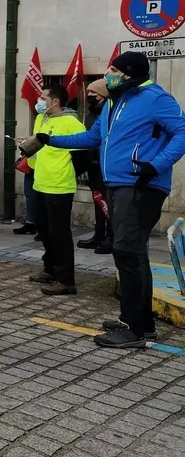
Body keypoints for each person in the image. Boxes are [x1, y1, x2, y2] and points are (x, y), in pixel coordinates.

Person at [41, 52, 185, 348]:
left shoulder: (156, 98)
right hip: (118, 186)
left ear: (130, 73)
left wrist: (156, 164)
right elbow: (93, 138)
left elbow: (182, 132)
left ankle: (132, 330)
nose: (108, 74)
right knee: (134, 254)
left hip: (141, 185)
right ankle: (141, 323)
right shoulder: (114, 102)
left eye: (114, 70)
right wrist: (51, 140)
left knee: (126, 252)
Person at [21, 83, 86, 296]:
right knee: (45, 232)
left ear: (55, 101)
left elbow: (83, 156)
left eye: (42, 97)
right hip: (39, 181)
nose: (38, 101)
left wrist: (64, 171)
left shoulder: (72, 122)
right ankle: (50, 269)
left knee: (60, 234)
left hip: (59, 185)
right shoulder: (42, 118)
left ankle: (66, 279)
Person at [77, 79, 114, 254]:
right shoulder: (92, 113)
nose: (90, 95)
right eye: (89, 92)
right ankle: (99, 235)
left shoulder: (109, 111)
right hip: (92, 163)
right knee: (98, 200)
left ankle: (111, 238)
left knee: (109, 203)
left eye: (94, 93)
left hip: (105, 163)